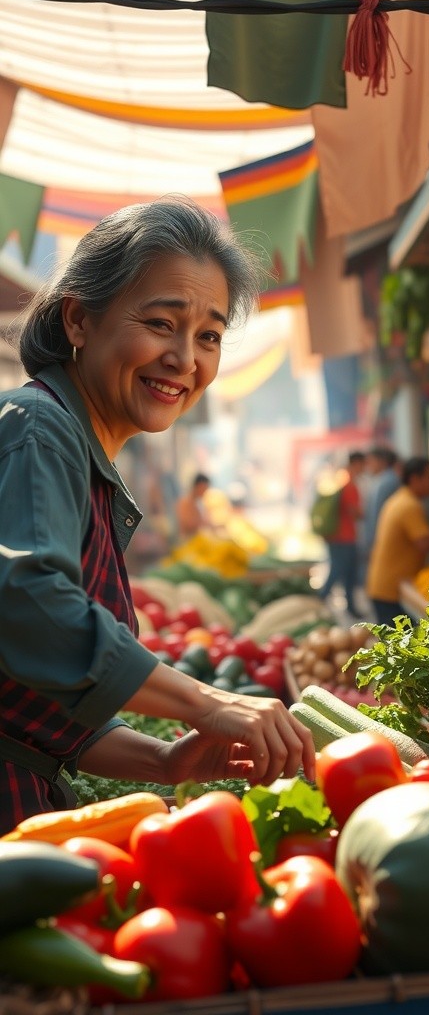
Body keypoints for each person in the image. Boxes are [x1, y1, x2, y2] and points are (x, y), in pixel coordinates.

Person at [0, 195, 314, 833]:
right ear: (79, 319)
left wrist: (168, 761)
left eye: (209, 337)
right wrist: (205, 701)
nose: (185, 360)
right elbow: (28, 606)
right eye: (162, 323)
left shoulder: (83, 453)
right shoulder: (40, 428)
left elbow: (40, 713)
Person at [366, 456, 429, 626]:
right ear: (414, 479)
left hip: (385, 586)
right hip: (390, 591)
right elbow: (424, 543)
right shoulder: (409, 505)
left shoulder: (400, 499)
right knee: (399, 647)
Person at [318, 450, 366, 619]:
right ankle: (319, 601)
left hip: (337, 536)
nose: (364, 469)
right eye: (363, 465)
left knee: (344, 571)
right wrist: (366, 514)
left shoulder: (339, 480)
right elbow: (355, 512)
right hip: (344, 537)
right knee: (340, 571)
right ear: (357, 463)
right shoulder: (349, 483)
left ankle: (349, 606)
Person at [175, 472, 212, 539]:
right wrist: (207, 524)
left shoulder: (199, 503)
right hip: (188, 541)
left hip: (199, 539)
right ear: (198, 486)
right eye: (204, 488)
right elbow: (188, 524)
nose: (205, 492)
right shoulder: (185, 502)